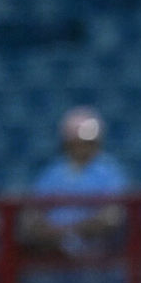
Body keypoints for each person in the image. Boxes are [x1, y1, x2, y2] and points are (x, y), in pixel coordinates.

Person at [19, 106, 129, 257]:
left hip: (97, 250)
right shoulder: (53, 172)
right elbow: (32, 212)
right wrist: (49, 232)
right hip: (51, 250)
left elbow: (113, 215)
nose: (82, 147)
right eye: (77, 141)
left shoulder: (109, 171)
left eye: (88, 142)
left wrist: (74, 230)